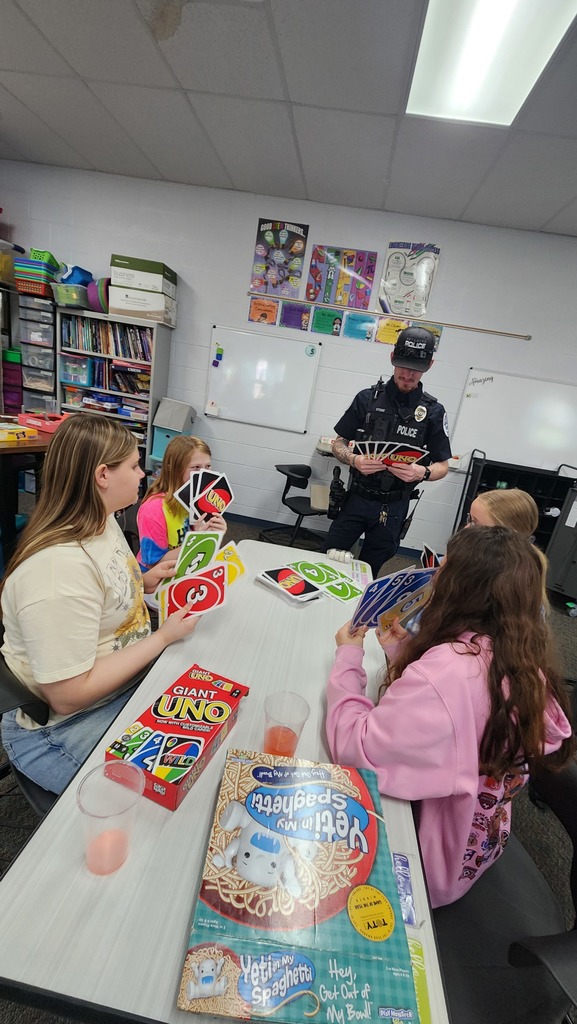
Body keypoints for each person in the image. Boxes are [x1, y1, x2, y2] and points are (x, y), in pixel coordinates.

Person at [326, 526, 574, 908]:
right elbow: (461, 716)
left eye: (445, 567)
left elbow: (356, 750)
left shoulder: (447, 674)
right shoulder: (522, 659)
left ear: (462, 588)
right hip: (480, 842)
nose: (435, 573)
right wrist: (403, 656)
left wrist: (348, 657)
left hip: (429, 863)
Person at [0, 415, 201, 795]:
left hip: (118, 683)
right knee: (167, 799)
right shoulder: (56, 573)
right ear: (102, 475)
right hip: (60, 727)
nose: (143, 474)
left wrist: (142, 580)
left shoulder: (102, 518)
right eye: (134, 465)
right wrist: (161, 639)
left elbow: (100, 595)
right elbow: (68, 694)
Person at [324, 327, 451, 578]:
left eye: (416, 368)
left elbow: (443, 466)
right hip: (357, 498)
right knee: (329, 557)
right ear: (392, 358)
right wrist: (354, 459)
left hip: (393, 506)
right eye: (403, 366)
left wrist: (422, 472)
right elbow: (338, 443)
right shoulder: (367, 398)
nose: (408, 374)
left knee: (369, 571)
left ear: (430, 364)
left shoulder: (434, 412)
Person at [137, 435, 227, 572]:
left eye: (208, 466)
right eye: (196, 467)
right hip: (156, 578)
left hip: (189, 564)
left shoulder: (201, 499)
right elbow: (152, 564)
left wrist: (215, 534)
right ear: (174, 469)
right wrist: (196, 541)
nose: (204, 473)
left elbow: (203, 548)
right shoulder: (154, 509)